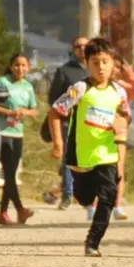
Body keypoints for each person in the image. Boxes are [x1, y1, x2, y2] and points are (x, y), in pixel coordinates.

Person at [47, 37, 131, 257]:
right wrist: (58, 142)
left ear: (113, 63)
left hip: (107, 154)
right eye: (95, 62)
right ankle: (81, 194)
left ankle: (93, 242)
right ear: (87, 64)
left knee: (108, 196)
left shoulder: (118, 92)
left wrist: (122, 122)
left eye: (105, 62)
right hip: (80, 155)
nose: (101, 67)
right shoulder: (81, 89)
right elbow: (55, 112)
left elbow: (125, 115)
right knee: (84, 197)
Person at [0, 53, 38, 225]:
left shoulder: (28, 87)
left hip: (18, 134)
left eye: (24, 65)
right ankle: (19, 209)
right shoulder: (3, 82)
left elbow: (35, 109)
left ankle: (3, 213)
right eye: (17, 65)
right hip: (2, 133)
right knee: (9, 173)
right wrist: (9, 112)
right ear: (11, 66)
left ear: (28, 68)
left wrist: (25, 112)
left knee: (11, 174)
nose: (20, 68)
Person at [45, 36, 90, 210]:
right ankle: (67, 195)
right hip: (68, 122)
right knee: (68, 159)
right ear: (73, 49)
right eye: (78, 46)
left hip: (90, 123)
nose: (82, 49)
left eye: (85, 46)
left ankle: (87, 194)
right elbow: (53, 98)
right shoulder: (65, 71)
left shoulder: (94, 71)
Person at [106, 54, 134, 221]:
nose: (114, 70)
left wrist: (129, 73)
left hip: (118, 132)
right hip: (98, 130)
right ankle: (95, 205)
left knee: (118, 169)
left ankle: (118, 205)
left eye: (118, 67)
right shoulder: (96, 86)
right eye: (112, 66)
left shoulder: (121, 87)